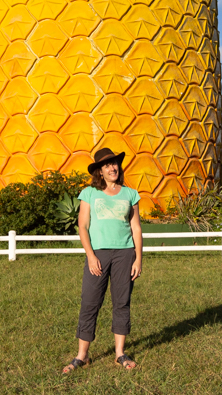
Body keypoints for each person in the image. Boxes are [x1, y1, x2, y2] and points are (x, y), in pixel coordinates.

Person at [62, 147, 143, 373]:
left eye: (114, 163)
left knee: (122, 302)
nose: (112, 167)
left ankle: (120, 354)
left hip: (125, 254)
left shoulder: (130, 194)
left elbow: (136, 228)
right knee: (89, 302)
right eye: (107, 165)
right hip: (98, 254)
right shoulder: (89, 193)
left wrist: (138, 259)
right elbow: (83, 226)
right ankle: (82, 356)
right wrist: (90, 255)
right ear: (99, 171)